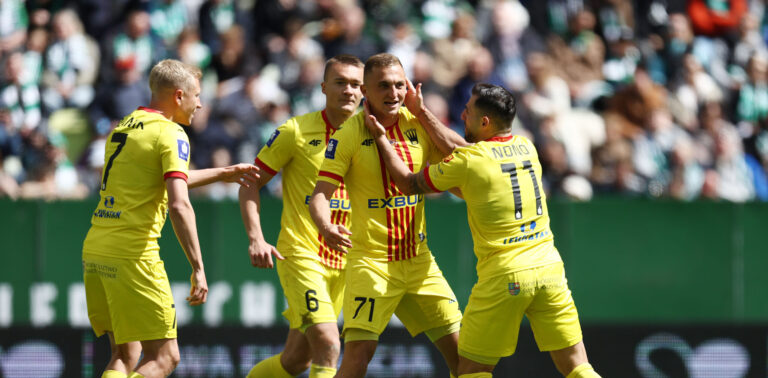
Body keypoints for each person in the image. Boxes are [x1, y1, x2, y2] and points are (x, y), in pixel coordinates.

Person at [362, 82, 600, 378]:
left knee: (471, 370)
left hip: (505, 276)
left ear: (484, 122)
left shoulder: (472, 161)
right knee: (577, 365)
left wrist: (381, 139)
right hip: (549, 269)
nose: (462, 116)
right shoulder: (526, 146)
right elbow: (466, 152)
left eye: (467, 111)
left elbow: (408, 184)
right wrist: (421, 112)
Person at [82, 59, 259, 378]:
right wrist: (198, 267)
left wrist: (222, 173)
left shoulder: (125, 125)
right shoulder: (171, 133)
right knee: (165, 357)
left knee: (126, 353)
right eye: (197, 95)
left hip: (97, 249)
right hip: (134, 254)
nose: (201, 103)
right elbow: (179, 204)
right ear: (179, 96)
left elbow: (164, 176)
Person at [309, 53, 463, 378]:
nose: (393, 93)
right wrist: (325, 225)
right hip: (372, 263)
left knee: (465, 359)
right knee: (356, 361)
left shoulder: (416, 122)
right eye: (383, 86)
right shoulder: (349, 133)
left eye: (399, 85)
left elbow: (464, 159)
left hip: (419, 262)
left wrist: (423, 111)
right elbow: (320, 195)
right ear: (366, 91)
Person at [239, 54, 364, 378]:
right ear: (323, 87)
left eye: (355, 84)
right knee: (328, 344)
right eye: (340, 82)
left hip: (344, 263)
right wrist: (256, 237)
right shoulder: (294, 131)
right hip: (301, 253)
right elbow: (250, 185)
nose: (348, 90)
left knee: (296, 360)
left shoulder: (374, 138)